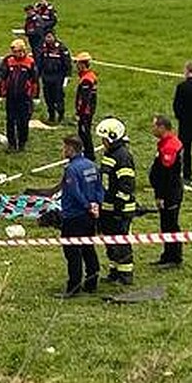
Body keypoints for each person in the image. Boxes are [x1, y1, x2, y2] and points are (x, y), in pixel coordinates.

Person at [56, 135, 103, 298]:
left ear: (70, 149)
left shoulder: (71, 169)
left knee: (72, 252)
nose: (62, 151)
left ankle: (73, 286)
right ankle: (92, 282)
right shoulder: (91, 165)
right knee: (88, 248)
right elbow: (99, 187)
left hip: (74, 215)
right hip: (89, 215)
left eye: (64, 148)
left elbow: (75, 192)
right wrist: (96, 204)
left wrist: (86, 205)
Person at [95, 117, 136, 286]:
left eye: (104, 139)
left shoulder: (122, 156)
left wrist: (119, 206)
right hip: (108, 206)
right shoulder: (110, 153)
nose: (102, 142)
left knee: (121, 241)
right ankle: (114, 270)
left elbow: (126, 184)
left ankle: (125, 274)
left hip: (121, 208)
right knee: (110, 240)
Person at [149, 115, 185, 268]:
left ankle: (174, 257)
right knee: (166, 224)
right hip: (170, 191)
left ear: (162, 127)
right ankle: (168, 255)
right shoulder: (167, 143)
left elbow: (167, 175)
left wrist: (160, 195)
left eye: (154, 126)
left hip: (170, 193)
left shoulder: (169, 147)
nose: (153, 129)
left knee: (170, 224)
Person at [0, 38, 39, 152]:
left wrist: (35, 96)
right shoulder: (9, 61)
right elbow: (3, 78)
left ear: (23, 50)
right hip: (11, 96)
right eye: (13, 51)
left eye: (16, 51)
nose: (15, 54)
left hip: (24, 97)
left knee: (23, 121)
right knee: (10, 121)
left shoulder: (30, 62)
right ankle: (11, 143)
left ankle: (22, 143)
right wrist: (1, 93)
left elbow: (35, 80)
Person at [36, 30, 72, 123]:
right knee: (48, 96)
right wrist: (37, 74)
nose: (48, 39)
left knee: (58, 96)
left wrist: (68, 75)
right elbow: (39, 61)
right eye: (46, 37)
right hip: (46, 76)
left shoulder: (61, 48)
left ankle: (60, 115)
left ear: (54, 37)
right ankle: (51, 115)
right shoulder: (42, 48)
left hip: (58, 76)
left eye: (50, 37)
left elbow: (67, 62)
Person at [73, 52, 98, 160]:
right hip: (88, 110)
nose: (76, 66)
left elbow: (84, 99)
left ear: (82, 65)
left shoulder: (86, 80)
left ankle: (89, 155)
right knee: (84, 132)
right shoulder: (90, 76)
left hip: (85, 112)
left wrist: (79, 112)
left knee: (84, 133)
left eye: (78, 64)